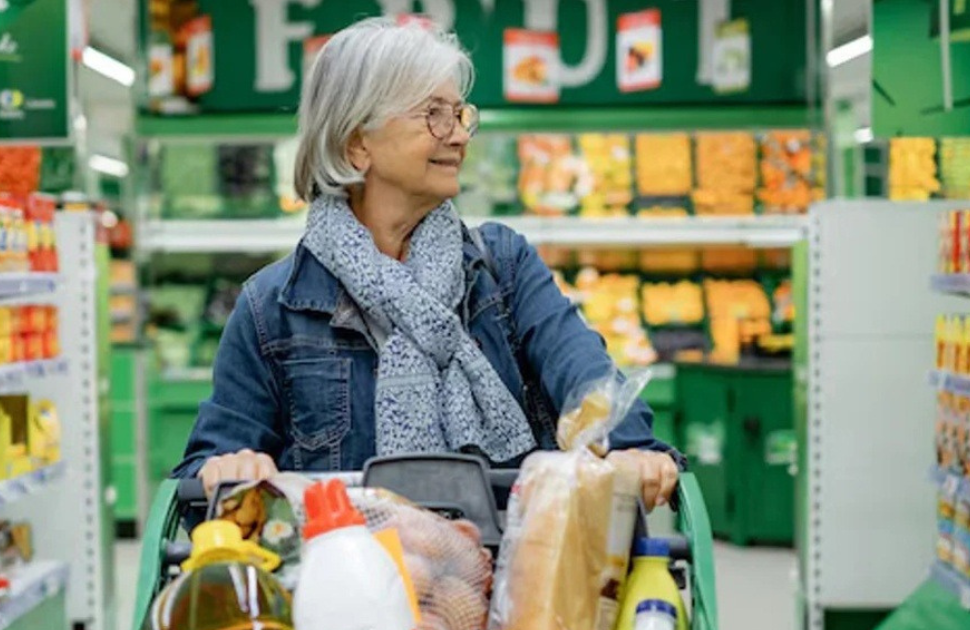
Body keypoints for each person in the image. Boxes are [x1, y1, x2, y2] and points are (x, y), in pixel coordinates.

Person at [173, 18, 683, 509]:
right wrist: (230, 467)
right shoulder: (273, 309)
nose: (458, 135)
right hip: (347, 565)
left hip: (503, 562)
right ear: (357, 144)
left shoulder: (501, 267)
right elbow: (208, 471)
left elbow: (583, 372)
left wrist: (627, 445)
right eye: (434, 114)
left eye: (460, 114)